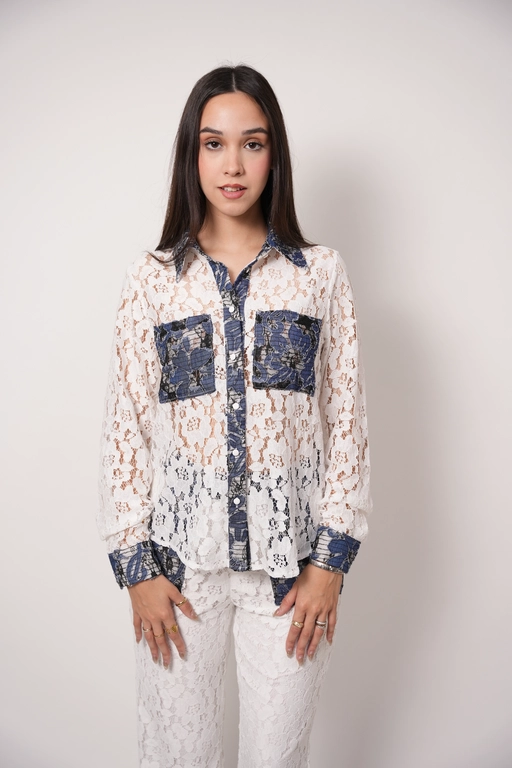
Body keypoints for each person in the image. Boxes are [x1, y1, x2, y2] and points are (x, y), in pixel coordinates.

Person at [98, 63, 372, 768]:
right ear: (191, 155)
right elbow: (126, 426)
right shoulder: (153, 278)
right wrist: (135, 568)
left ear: (274, 154)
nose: (233, 165)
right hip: (176, 571)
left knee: (277, 757)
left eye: (252, 143)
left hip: (291, 575)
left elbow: (347, 421)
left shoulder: (320, 273)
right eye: (213, 144)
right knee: (176, 757)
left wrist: (331, 564)